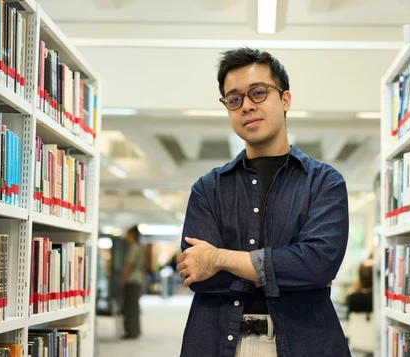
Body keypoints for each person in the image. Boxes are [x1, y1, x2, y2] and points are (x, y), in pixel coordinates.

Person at [176, 47, 351, 357]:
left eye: (258, 93)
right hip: (216, 343)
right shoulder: (207, 189)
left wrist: (217, 258)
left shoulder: (325, 182)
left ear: (285, 99)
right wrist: (288, 272)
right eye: (234, 99)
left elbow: (317, 265)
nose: (246, 106)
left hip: (305, 344)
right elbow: (200, 279)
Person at [119, 225, 145, 339]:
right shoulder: (138, 247)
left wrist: (123, 279)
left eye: (128, 235)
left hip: (132, 280)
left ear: (132, 236)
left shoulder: (133, 248)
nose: (126, 237)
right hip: (138, 280)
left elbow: (129, 265)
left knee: (130, 307)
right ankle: (135, 330)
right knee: (134, 306)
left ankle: (131, 332)